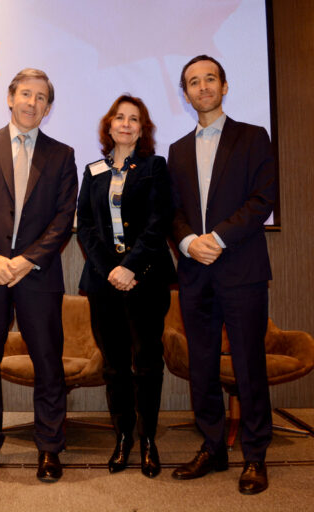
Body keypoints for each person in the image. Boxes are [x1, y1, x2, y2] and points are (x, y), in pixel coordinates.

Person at [0, 68, 78, 483]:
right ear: (10, 98)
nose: (32, 102)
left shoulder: (62, 154)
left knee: (48, 363)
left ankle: (49, 447)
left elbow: (63, 217)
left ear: (48, 107)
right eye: (26, 94)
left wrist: (28, 259)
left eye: (41, 97)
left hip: (38, 276)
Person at [168, 55, 276, 494]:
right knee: (202, 365)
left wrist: (217, 238)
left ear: (224, 86)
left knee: (249, 364)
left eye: (210, 78)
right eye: (193, 82)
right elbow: (173, 211)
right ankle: (212, 447)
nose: (203, 87)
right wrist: (188, 242)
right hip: (195, 272)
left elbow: (263, 199)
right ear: (186, 94)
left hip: (241, 270)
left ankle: (255, 455)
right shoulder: (177, 150)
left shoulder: (253, 137)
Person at [76, 94, 175, 478]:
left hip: (146, 279)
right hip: (104, 283)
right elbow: (85, 225)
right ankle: (123, 438)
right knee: (115, 366)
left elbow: (159, 221)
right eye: (120, 117)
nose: (126, 124)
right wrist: (110, 270)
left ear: (142, 128)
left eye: (134, 119)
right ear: (109, 125)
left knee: (146, 364)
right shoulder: (93, 170)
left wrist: (130, 267)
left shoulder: (154, 167)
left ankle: (148, 440)